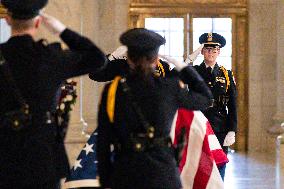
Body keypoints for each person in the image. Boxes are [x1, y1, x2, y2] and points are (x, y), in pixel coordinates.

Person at [0, 0, 106, 188]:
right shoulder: (51, 57)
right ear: (39, 22)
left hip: (5, 153)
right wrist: (62, 30)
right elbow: (97, 58)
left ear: (7, 20)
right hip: (44, 156)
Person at [96, 28, 213, 189]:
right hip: (162, 172)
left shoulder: (113, 90)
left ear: (128, 58)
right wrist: (185, 69)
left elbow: (103, 140)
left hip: (125, 172)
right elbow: (206, 98)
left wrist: (106, 180)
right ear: (156, 59)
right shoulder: (169, 87)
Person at [193, 32, 238, 180]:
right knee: (200, 165)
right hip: (199, 124)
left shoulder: (226, 74)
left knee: (219, 164)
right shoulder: (194, 72)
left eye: (214, 49)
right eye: (207, 49)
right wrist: (187, 61)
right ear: (202, 51)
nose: (210, 52)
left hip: (219, 126)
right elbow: (175, 77)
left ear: (219, 51)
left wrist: (232, 129)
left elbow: (232, 104)